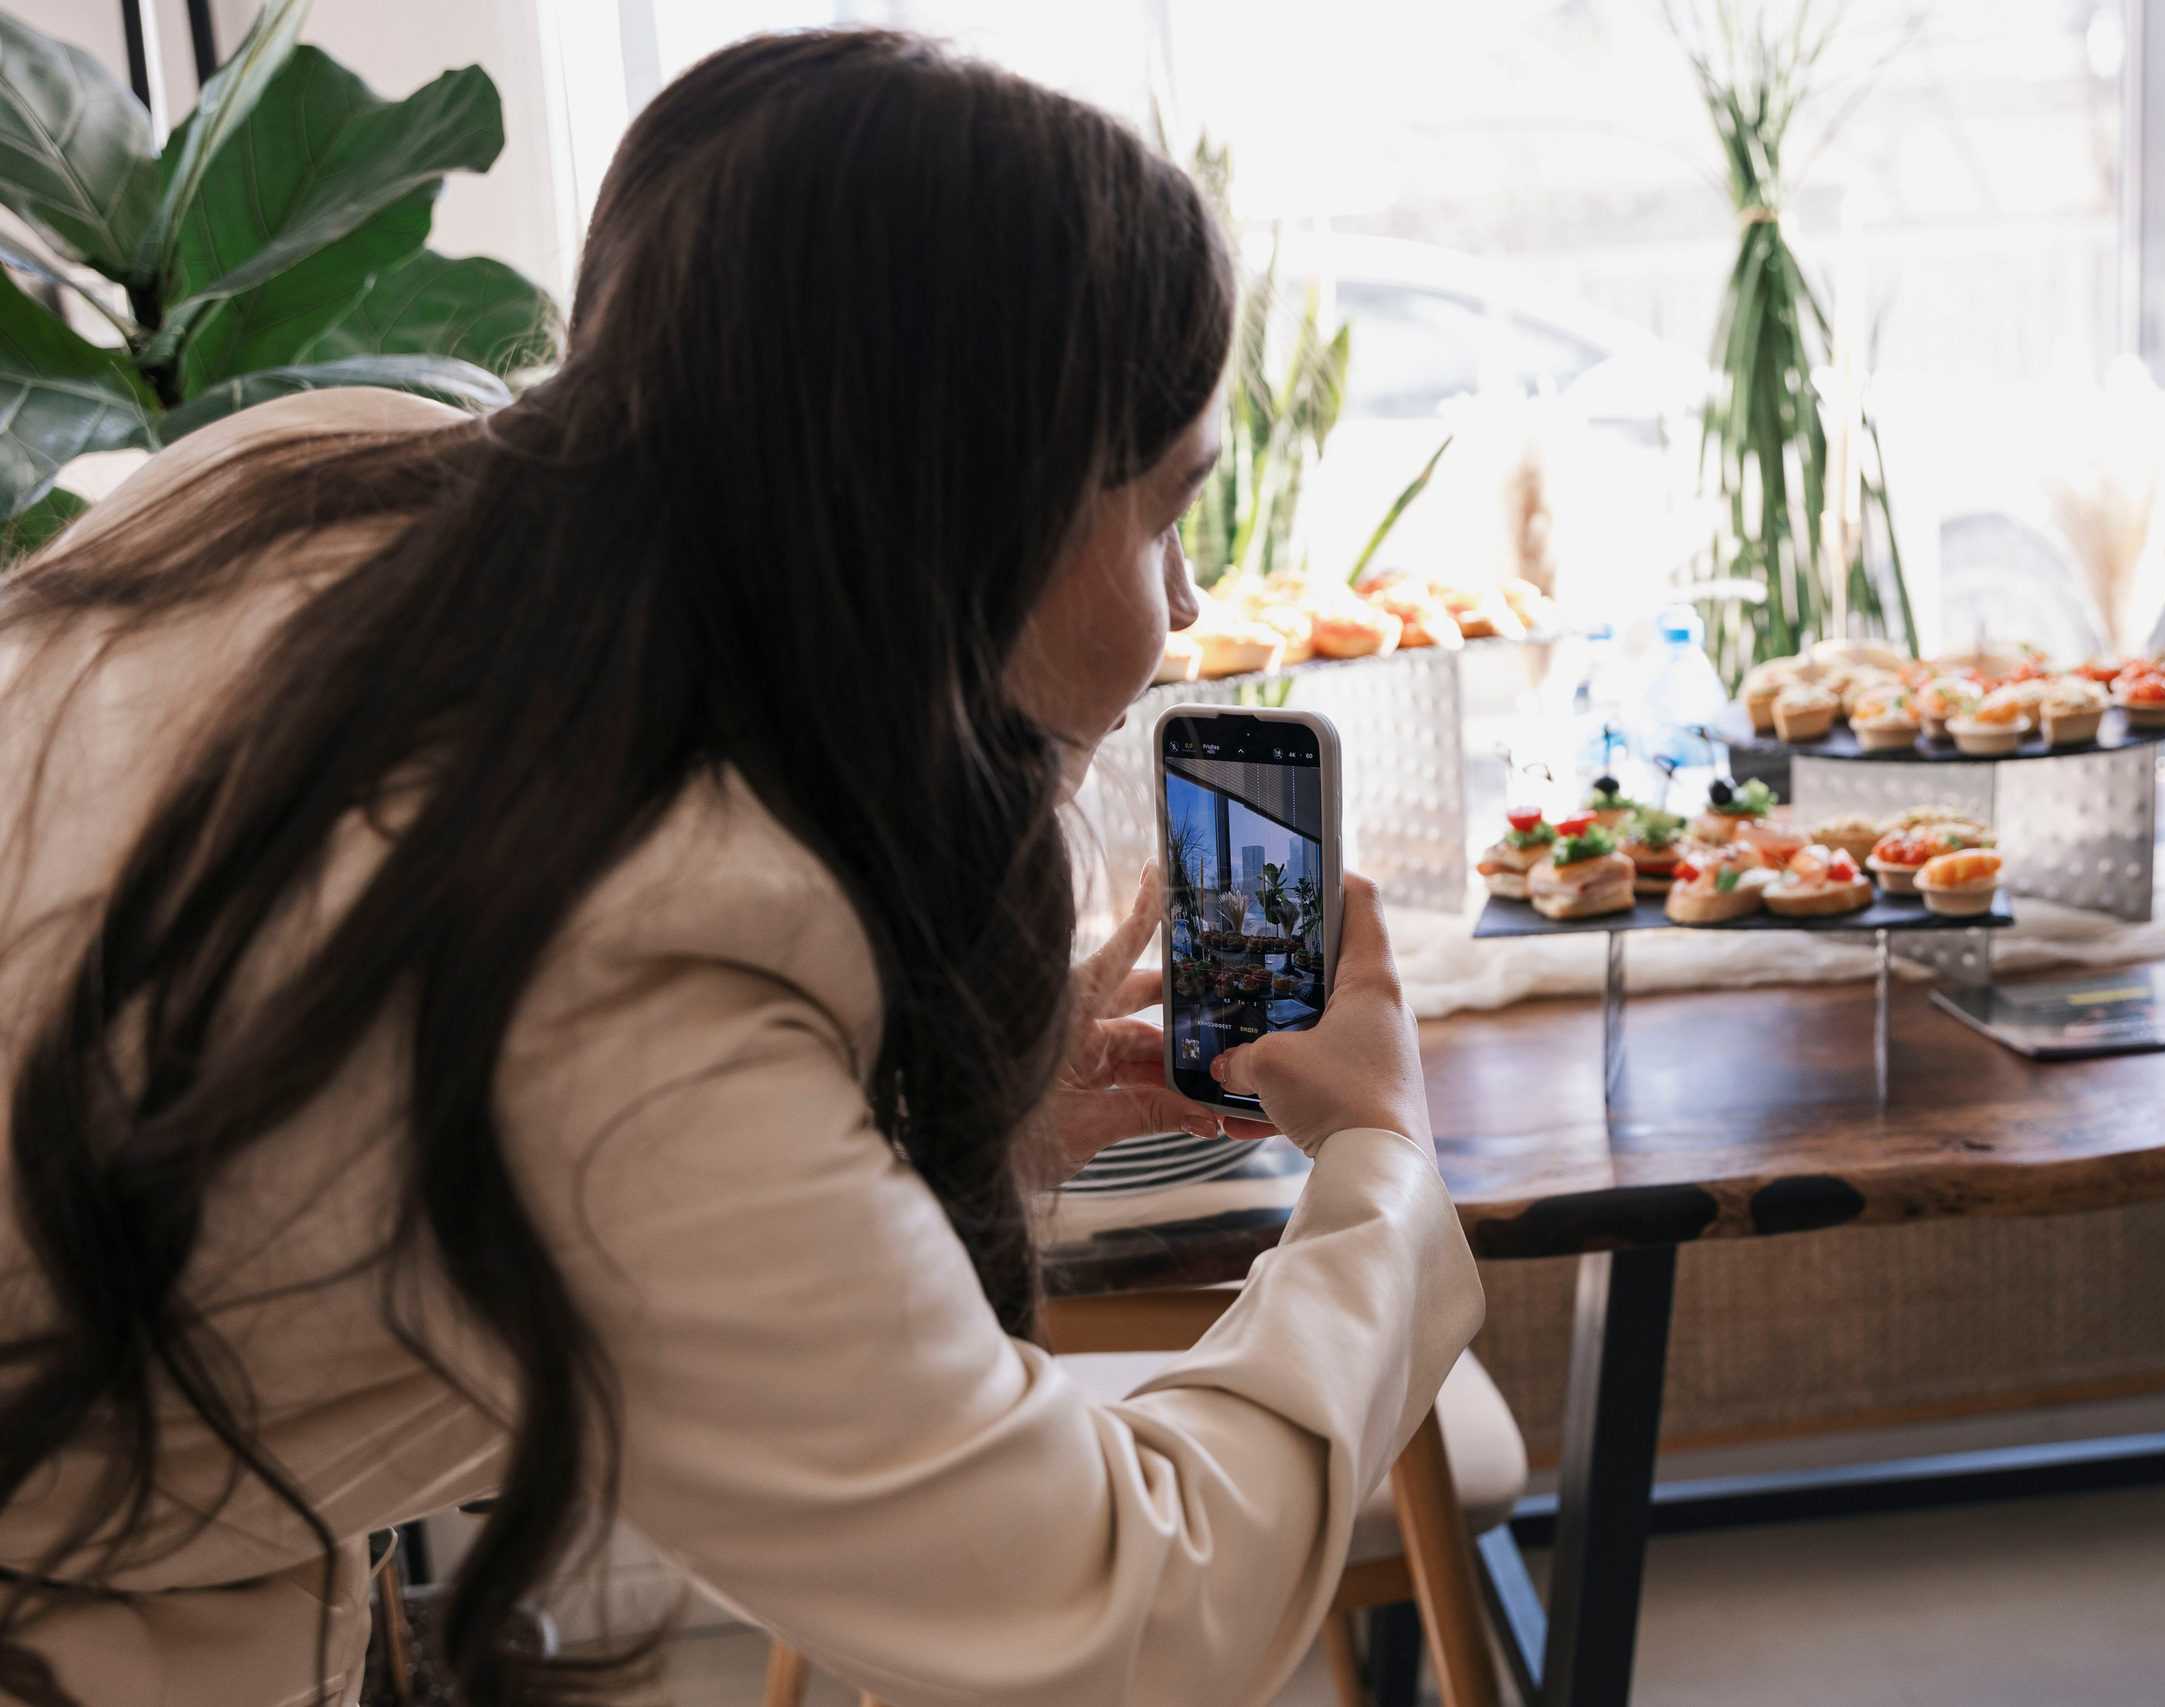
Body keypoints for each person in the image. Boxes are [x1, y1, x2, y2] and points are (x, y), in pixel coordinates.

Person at [0, 29, 1479, 1707]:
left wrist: (885, 1116)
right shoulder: (627, 983)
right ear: (965, 505)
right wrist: (1381, 1167)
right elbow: (1129, 1612)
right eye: (1163, 515)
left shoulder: (320, 477)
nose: (1190, 605)